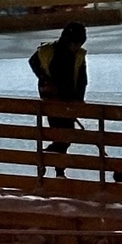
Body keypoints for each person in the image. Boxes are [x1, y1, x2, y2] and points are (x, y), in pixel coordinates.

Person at [28, 21, 87, 173]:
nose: (76, 47)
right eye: (74, 43)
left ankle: (52, 163)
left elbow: (81, 79)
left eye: (79, 44)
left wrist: (78, 101)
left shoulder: (78, 56)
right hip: (52, 101)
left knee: (64, 136)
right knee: (63, 136)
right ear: (67, 40)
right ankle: (52, 164)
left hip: (69, 101)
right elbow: (33, 61)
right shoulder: (50, 51)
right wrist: (45, 79)